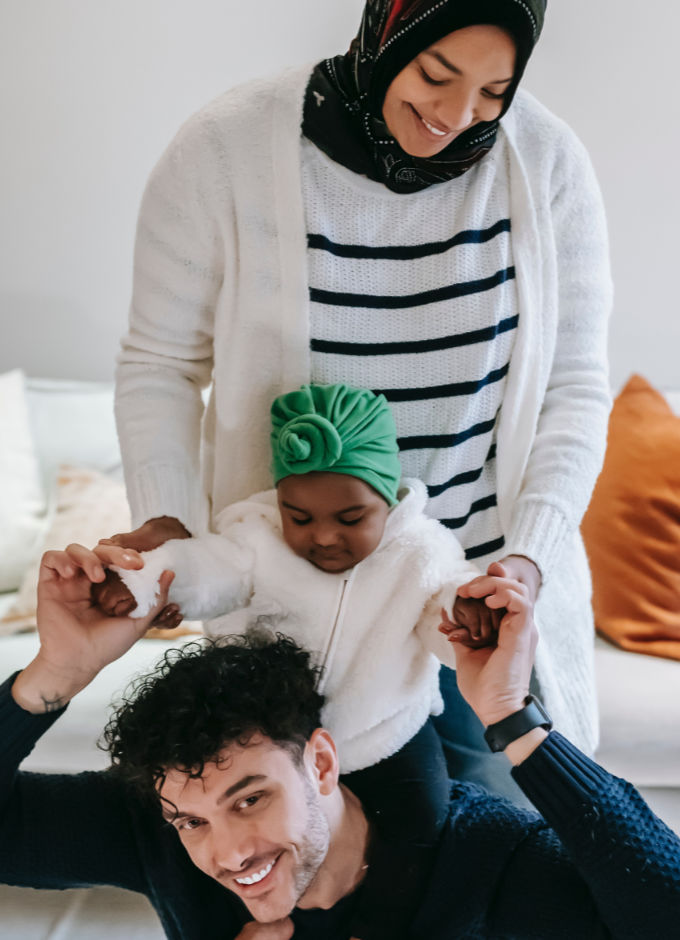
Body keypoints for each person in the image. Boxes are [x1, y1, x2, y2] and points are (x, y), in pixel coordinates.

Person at [111, 0, 612, 798]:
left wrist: (529, 562)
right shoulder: (227, 147)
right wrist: (168, 518)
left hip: (473, 603)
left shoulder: (545, 163)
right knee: (297, 873)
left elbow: (576, 386)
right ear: (387, 30)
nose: (455, 116)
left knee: (492, 880)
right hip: (289, 606)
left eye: (494, 90)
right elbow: (159, 362)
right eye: (435, 74)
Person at [3, 544, 679, 940]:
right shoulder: (153, 836)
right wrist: (51, 677)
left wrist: (509, 713)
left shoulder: (487, 857)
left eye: (250, 799)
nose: (229, 854)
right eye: (191, 820)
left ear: (321, 762)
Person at [95, 381, 495, 940]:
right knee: (235, 839)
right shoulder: (256, 538)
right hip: (272, 738)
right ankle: (258, 924)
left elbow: (442, 610)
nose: (324, 536)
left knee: (421, 823)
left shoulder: (420, 552)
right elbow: (210, 569)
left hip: (385, 732)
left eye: (351, 518)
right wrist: (145, 587)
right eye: (299, 517)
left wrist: (468, 614)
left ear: (389, 500)